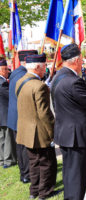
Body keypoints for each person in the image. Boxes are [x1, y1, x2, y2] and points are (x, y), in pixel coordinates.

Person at [50, 44, 86, 200]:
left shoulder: (57, 76)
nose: (82, 63)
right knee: (78, 175)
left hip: (65, 133)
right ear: (76, 60)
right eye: (82, 60)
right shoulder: (73, 81)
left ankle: (70, 197)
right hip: (76, 136)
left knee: (70, 173)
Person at [15, 53, 58, 200]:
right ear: (38, 67)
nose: (45, 68)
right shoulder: (39, 86)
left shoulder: (20, 81)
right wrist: (53, 131)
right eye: (44, 66)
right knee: (46, 163)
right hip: (39, 131)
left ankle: (34, 191)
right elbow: (44, 113)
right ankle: (45, 192)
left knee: (33, 162)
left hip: (25, 130)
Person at [7, 50, 38, 184]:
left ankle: (24, 173)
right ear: (27, 61)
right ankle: (27, 175)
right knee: (24, 149)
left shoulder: (16, 73)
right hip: (21, 117)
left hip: (15, 117)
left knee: (21, 149)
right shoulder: (22, 75)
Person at [0, 59, 17, 169]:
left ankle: (2, 159)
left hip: (1, 114)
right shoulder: (2, 83)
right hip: (5, 114)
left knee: (2, 138)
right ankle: (9, 160)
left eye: (6, 69)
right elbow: (11, 96)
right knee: (8, 138)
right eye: (4, 69)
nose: (6, 71)